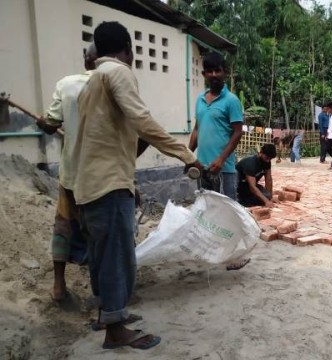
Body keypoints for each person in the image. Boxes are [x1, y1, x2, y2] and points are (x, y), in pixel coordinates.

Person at [68, 21, 202, 350]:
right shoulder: (119, 72)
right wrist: (187, 155)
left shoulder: (91, 83)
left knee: (101, 257)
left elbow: (120, 135)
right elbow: (143, 121)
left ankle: (106, 315)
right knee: (117, 257)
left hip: (88, 185)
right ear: (129, 49)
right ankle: (115, 332)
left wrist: (129, 178)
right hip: (108, 185)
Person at [36, 45, 98, 302]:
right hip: (100, 178)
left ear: (86, 58)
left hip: (71, 175)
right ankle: (103, 293)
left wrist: (43, 122)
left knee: (63, 226)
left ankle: (59, 286)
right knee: (99, 233)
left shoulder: (66, 84)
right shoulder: (112, 84)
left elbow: (51, 125)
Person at [188, 52, 243, 200]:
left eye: (217, 70)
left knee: (226, 213)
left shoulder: (232, 101)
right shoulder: (200, 100)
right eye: (209, 71)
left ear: (224, 72)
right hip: (202, 168)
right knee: (206, 211)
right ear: (204, 74)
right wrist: (188, 155)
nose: (214, 75)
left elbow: (238, 132)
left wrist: (221, 159)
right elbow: (197, 129)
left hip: (224, 169)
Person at [237, 143, 277, 207]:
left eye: (270, 159)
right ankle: (240, 200)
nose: (268, 161)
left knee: (267, 195)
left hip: (248, 187)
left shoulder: (267, 162)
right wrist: (266, 201)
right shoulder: (250, 163)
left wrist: (270, 198)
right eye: (267, 158)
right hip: (239, 186)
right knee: (263, 199)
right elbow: (252, 187)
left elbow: (268, 180)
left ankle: (247, 199)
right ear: (261, 152)